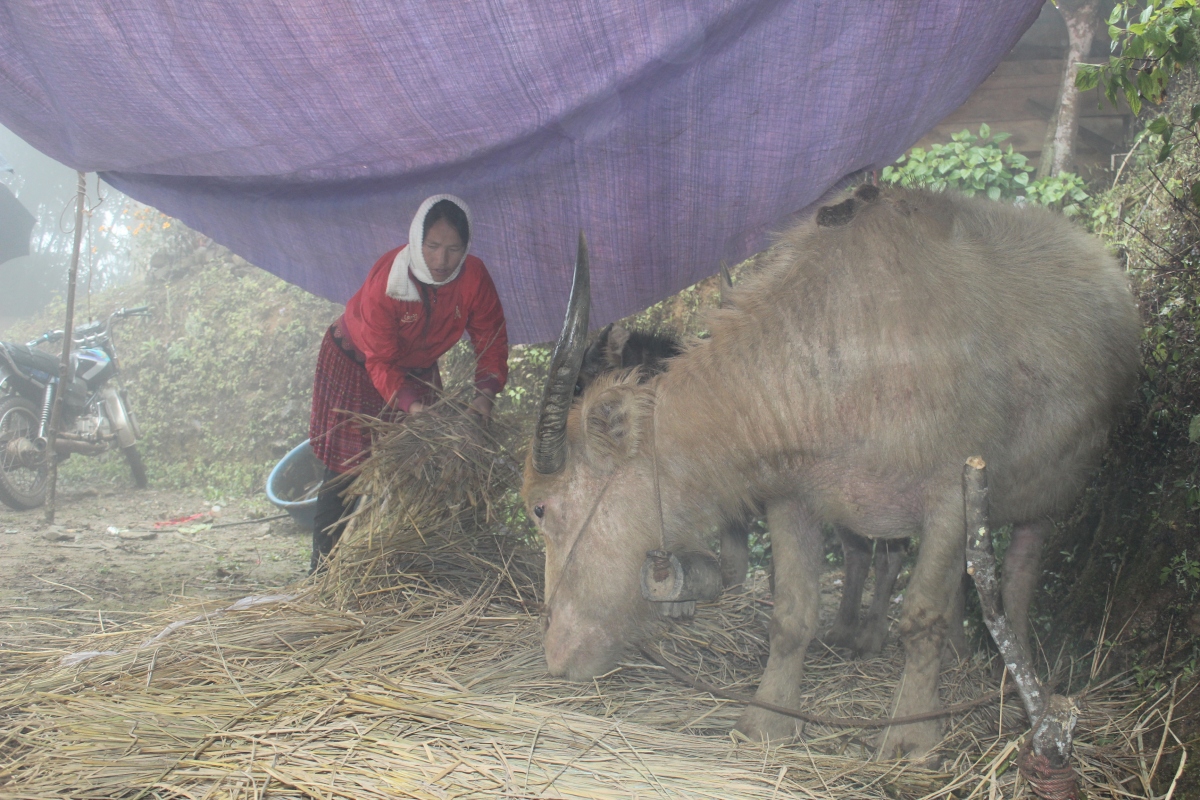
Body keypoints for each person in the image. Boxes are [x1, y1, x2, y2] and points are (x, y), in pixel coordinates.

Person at [307, 194, 508, 572]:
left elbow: (491, 337)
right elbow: (380, 359)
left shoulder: (473, 277)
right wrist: (412, 407)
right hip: (355, 360)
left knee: (428, 461)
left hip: (417, 369)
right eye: (432, 246)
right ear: (416, 240)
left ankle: (408, 566)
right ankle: (321, 573)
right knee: (346, 468)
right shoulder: (389, 279)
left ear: (465, 249)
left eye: (453, 249)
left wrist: (485, 394)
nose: (441, 260)